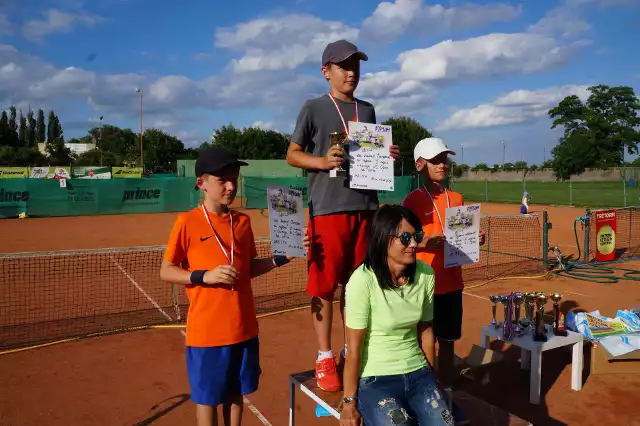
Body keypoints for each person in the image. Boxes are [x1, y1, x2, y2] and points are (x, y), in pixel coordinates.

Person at [160, 147, 305, 426]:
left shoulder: (242, 222)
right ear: (201, 183)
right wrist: (204, 276)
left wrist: (281, 258)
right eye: (222, 180)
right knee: (208, 400)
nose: (230, 186)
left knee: (236, 395)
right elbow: (167, 270)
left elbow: (247, 268)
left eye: (234, 179)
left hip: (244, 329)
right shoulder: (187, 222)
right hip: (207, 333)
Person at [286, 39, 400, 392]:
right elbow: (292, 154)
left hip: (366, 209)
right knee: (324, 287)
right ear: (326, 72)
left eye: (356, 66)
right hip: (328, 209)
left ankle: (352, 352)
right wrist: (320, 162)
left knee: (358, 286)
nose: (351, 72)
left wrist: (388, 156)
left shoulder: (367, 110)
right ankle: (324, 355)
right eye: (343, 66)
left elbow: (371, 155)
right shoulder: (313, 107)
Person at [340, 204, 453, 426]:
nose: (413, 244)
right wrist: (348, 404)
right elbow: (353, 349)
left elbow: (427, 332)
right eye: (405, 237)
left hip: (418, 372)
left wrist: (432, 379)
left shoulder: (425, 274)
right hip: (375, 380)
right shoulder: (362, 280)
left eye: (416, 236)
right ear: (384, 239)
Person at [401, 137, 486, 425]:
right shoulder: (412, 201)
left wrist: (474, 238)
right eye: (435, 159)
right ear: (419, 165)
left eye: (444, 159)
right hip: (423, 285)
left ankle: (445, 397)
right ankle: (422, 397)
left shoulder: (458, 198)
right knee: (422, 345)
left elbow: (461, 239)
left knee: (448, 343)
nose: (442, 164)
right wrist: (424, 241)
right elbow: (403, 239)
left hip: (453, 284)